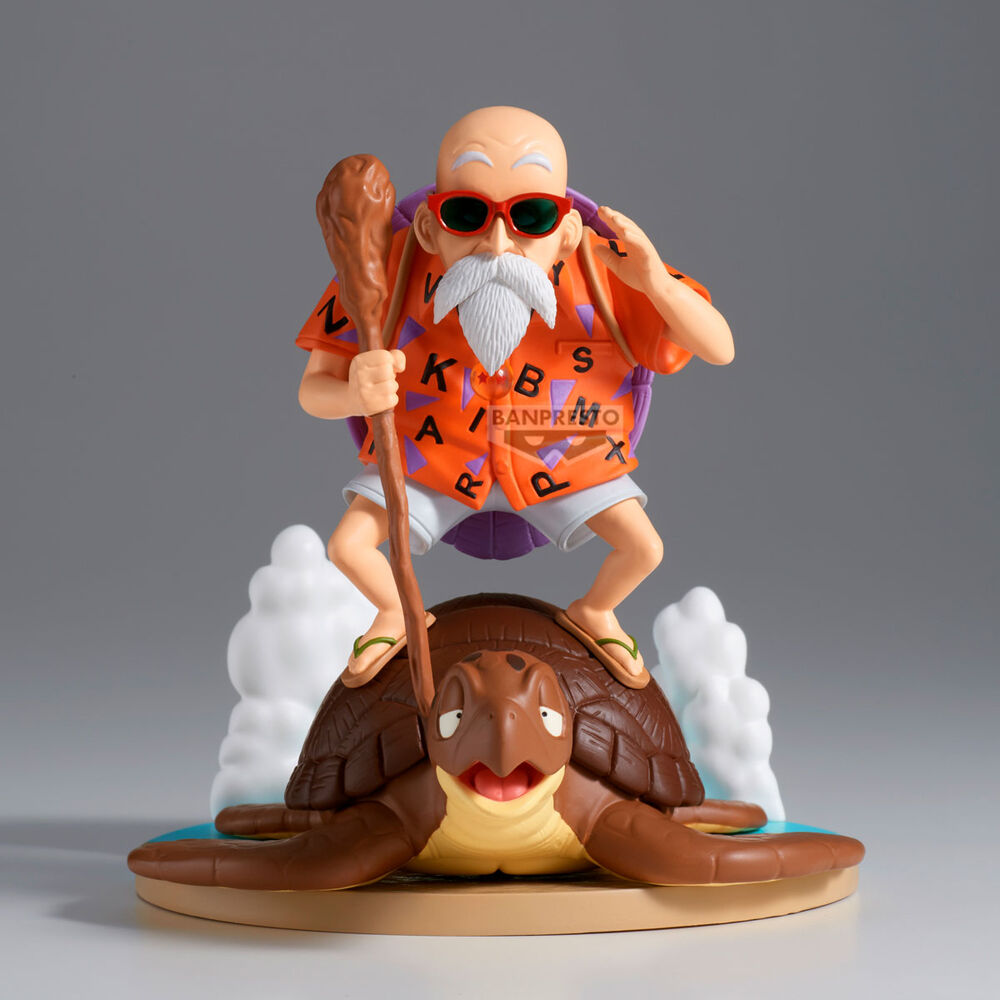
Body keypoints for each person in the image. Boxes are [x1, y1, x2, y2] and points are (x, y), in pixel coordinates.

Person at [296, 106, 733, 687]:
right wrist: (354, 392)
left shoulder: (605, 271)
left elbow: (719, 347)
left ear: (566, 230)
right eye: (467, 214)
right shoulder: (388, 273)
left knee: (643, 550)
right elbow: (313, 392)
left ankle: (596, 611)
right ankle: (395, 612)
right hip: (430, 457)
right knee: (348, 547)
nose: (497, 243)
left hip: (563, 452)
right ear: (429, 226)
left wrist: (653, 281)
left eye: (531, 216)